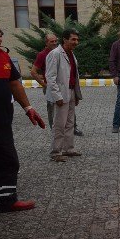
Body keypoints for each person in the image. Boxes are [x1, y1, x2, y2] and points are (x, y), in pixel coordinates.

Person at [0, 22, 45, 213]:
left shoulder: (3, 56)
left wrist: (28, 107)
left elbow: (15, 84)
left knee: (8, 159)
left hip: (2, 122)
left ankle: (6, 201)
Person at [45, 29, 83, 162]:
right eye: (73, 39)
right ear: (65, 39)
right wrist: (57, 96)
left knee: (70, 123)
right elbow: (50, 77)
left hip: (71, 92)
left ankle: (68, 149)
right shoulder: (55, 54)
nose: (76, 42)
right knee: (59, 124)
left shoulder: (71, 54)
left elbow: (74, 75)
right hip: (61, 94)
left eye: (77, 39)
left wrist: (77, 95)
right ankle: (56, 152)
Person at [30, 34, 58, 126]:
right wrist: (45, 85)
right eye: (52, 41)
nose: (54, 43)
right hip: (50, 87)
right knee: (52, 110)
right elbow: (33, 72)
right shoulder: (42, 55)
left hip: (62, 85)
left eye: (55, 41)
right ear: (46, 43)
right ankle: (53, 129)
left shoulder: (59, 52)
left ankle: (72, 127)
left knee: (67, 107)